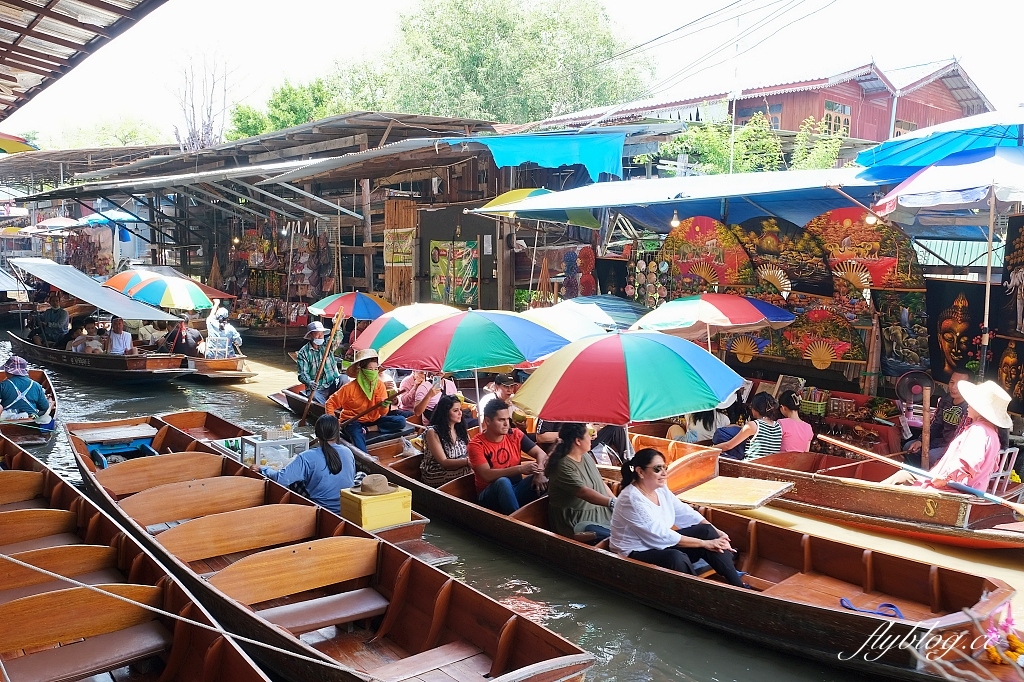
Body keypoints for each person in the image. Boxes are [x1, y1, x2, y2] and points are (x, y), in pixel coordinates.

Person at [609, 447, 744, 586]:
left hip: (659, 545)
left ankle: (738, 585)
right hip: (635, 552)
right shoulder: (631, 499)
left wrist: (719, 534)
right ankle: (696, 592)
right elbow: (660, 535)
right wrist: (705, 543)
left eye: (664, 468)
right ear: (640, 472)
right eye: (657, 469)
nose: (664, 473)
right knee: (675, 557)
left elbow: (684, 512)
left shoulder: (660, 489)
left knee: (706, 530)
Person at [883, 380, 1010, 491]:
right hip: (958, 486)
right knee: (903, 476)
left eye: (971, 402)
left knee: (900, 479)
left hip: (953, 490)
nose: (968, 405)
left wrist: (943, 478)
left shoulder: (979, 430)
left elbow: (967, 463)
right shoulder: (992, 432)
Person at [257, 414, 355, 514]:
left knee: (294, 482)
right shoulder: (348, 452)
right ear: (337, 433)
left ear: (316, 434)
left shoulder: (307, 457)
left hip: (321, 511)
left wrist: (263, 468)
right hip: (346, 509)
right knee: (361, 475)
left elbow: (280, 479)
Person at [467, 399, 548, 514]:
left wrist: (540, 472)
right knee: (503, 482)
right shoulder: (476, 444)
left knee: (551, 473)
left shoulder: (514, 434)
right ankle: (517, 522)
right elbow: (487, 475)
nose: (506, 424)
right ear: (488, 421)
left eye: (507, 419)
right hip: (489, 495)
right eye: (501, 420)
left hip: (517, 488)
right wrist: (520, 469)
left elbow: (541, 454)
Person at [324, 349, 407, 453]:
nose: (373, 372)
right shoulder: (349, 388)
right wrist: (333, 422)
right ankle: (365, 460)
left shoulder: (380, 385)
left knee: (401, 421)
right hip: (352, 420)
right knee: (357, 437)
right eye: (370, 369)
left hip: (372, 421)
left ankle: (370, 429)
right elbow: (330, 403)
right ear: (361, 370)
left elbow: (383, 413)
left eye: (376, 369)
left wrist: (384, 405)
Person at [545, 423, 615, 541]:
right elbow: (583, 492)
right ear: (578, 441)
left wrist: (616, 502)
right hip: (578, 521)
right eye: (588, 435)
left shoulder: (585, 456)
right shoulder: (562, 465)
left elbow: (599, 482)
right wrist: (612, 502)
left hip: (602, 513)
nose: (592, 438)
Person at [905, 366, 972, 465]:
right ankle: (917, 476)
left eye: (959, 384)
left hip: (956, 448)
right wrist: (921, 441)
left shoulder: (970, 408)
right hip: (940, 442)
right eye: (952, 382)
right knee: (909, 447)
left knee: (932, 456)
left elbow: (960, 437)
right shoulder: (945, 399)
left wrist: (942, 457)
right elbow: (936, 424)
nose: (953, 387)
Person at [420, 394, 472, 487]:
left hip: (460, 467)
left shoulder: (460, 429)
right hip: (436, 472)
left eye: (460, 409)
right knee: (471, 472)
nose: (460, 413)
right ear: (445, 413)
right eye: (455, 410)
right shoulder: (433, 432)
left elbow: (471, 450)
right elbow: (444, 462)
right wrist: (467, 461)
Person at [713, 392, 782, 460]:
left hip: (748, 467)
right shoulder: (778, 426)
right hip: (767, 467)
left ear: (755, 408)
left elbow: (728, 446)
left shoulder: (752, 425)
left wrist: (710, 448)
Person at [296, 321, 343, 405]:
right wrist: (309, 382)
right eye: (317, 334)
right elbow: (302, 374)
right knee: (314, 395)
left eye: (322, 334)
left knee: (344, 379)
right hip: (318, 388)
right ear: (310, 335)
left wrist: (338, 327)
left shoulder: (327, 345)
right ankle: (328, 409)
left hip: (332, 383)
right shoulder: (303, 353)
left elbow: (336, 339)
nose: (321, 336)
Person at [0, 356, 53, 430]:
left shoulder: (3, 385)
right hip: (29, 419)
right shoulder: (36, 385)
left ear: (8, 371)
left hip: (7, 420)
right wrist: (36, 416)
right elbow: (44, 407)